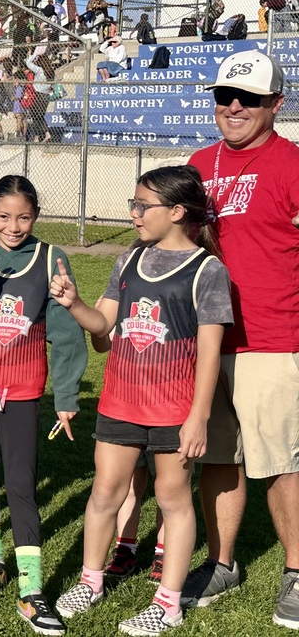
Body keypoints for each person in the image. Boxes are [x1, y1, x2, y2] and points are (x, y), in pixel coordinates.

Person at [52, 165, 232, 635]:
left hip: (174, 411)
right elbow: (103, 325)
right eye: (133, 204)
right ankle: (91, 581)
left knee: (173, 500)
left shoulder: (207, 269)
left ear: (176, 211)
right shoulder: (128, 260)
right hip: (119, 403)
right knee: (104, 493)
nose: (133, 214)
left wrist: (199, 417)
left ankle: (168, 602)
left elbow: (210, 353)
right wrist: (74, 304)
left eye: (142, 206)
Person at [182, 50, 299, 629]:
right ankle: (222, 560)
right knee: (217, 456)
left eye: (248, 98)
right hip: (207, 340)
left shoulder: (292, 164)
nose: (232, 106)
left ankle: (297, 571)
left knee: (280, 459)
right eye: (224, 95)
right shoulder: (200, 162)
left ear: (275, 105)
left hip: (273, 336)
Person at [0, 175, 86, 636]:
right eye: (4, 216)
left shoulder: (51, 258)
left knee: (21, 482)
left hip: (23, 389)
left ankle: (32, 590)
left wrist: (65, 397)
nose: (14, 226)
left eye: (24, 217)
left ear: (37, 216)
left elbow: (66, 335)